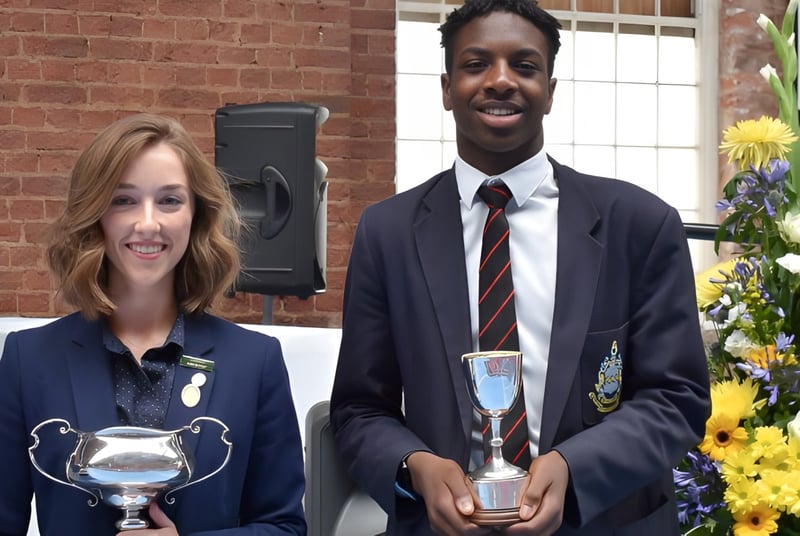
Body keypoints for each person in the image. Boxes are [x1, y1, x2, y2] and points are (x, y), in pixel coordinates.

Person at [329, 0, 710, 534]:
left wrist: (574, 466)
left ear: (549, 91)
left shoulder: (639, 225)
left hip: (601, 522)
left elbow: (676, 398)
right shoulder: (387, 233)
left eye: (524, 66)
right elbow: (359, 410)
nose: (501, 81)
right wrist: (415, 465)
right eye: (476, 64)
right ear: (446, 89)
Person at [0, 113, 307, 535]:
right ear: (95, 215)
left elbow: (284, 527)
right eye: (124, 200)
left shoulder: (254, 361)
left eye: (169, 200)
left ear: (196, 214)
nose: (148, 223)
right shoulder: (29, 360)